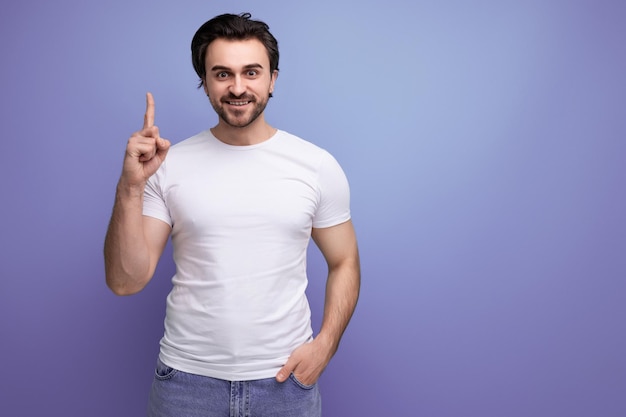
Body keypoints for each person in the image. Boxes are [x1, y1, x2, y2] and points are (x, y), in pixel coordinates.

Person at [104, 12, 360, 417]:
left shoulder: (316, 165)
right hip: (186, 385)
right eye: (222, 74)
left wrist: (325, 345)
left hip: (285, 385)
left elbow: (345, 261)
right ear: (205, 82)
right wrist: (130, 185)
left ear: (272, 79)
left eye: (251, 72)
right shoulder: (168, 165)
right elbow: (125, 281)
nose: (238, 87)